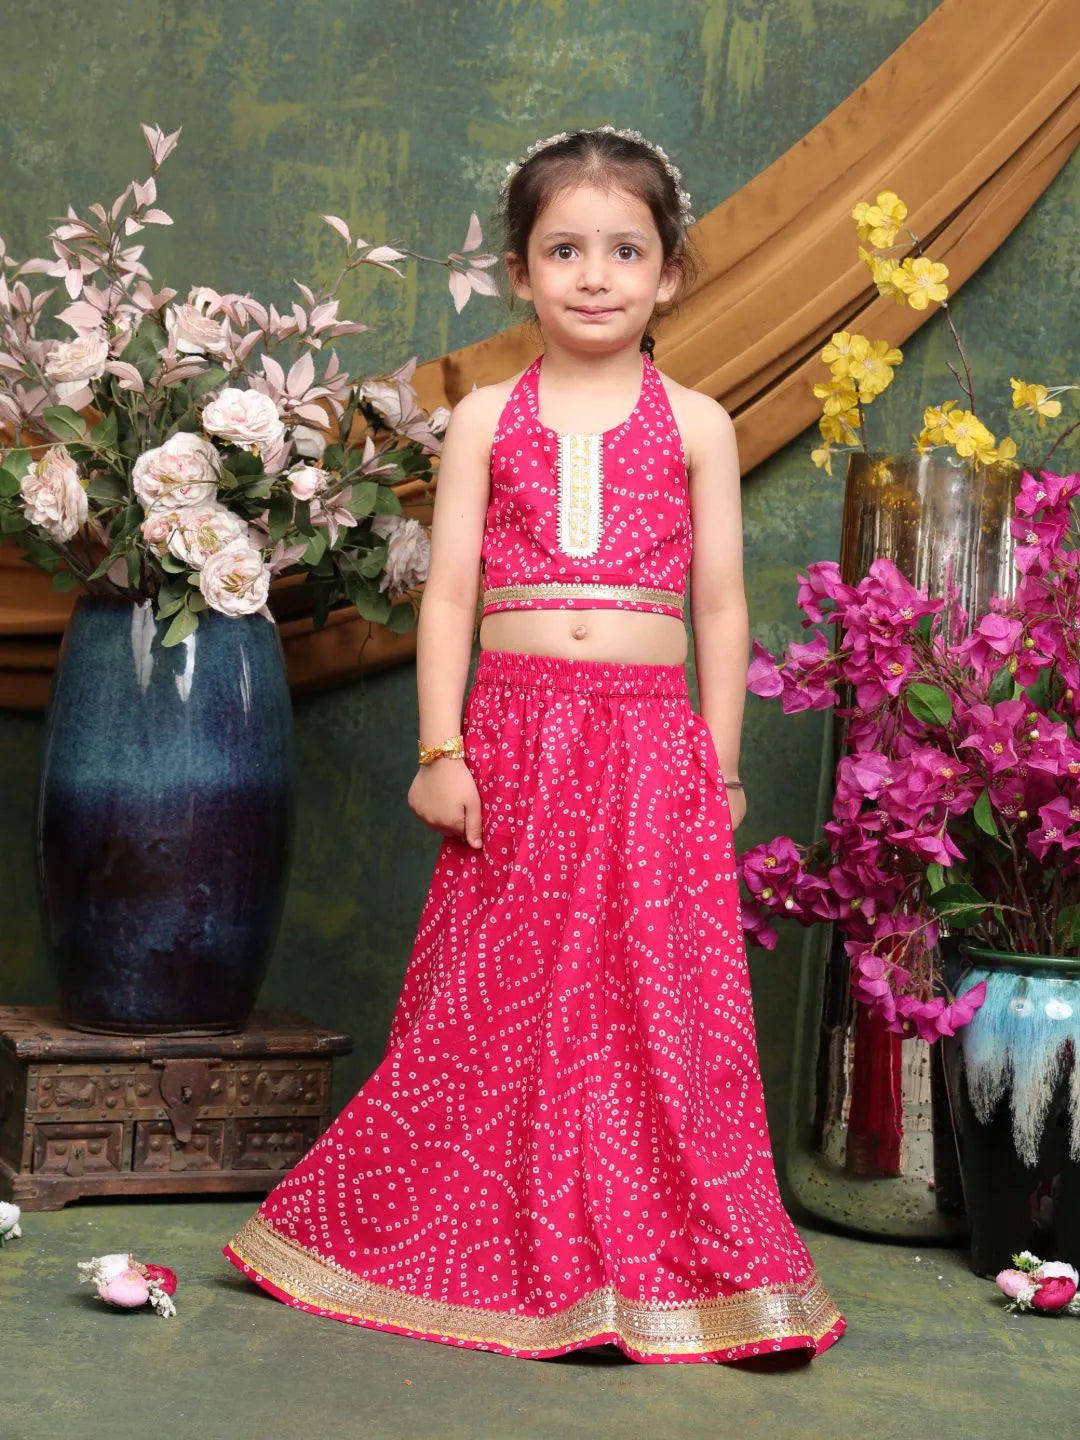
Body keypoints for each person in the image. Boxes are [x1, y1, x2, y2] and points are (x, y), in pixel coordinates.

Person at [224, 126, 845, 1364]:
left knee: (650, 1000)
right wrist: (439, 748)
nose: (596, 275)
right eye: (565, 250)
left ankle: (689, 1264)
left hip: (649, 751)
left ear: (669, 274)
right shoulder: (489, 420)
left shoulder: (702, 427)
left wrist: (718, 765)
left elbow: (722, 608)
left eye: (626, 250)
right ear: (520, 271)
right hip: (509, 742)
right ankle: (455, 1245)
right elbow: (445, 596)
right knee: (487, 1003)